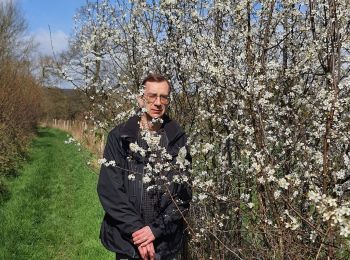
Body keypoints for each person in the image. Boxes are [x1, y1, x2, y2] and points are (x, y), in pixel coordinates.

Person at [97, 73, 192, 260]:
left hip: (166, 242)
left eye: (163, 97)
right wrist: (139, 233)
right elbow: (110, 191)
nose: (158, 102)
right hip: (128, 242)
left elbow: (183, 194)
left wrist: (155, 230)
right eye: (152, 96)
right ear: (141, 99)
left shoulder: (177, 139)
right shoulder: (120, 137)